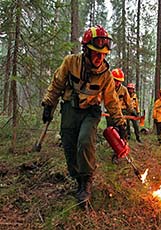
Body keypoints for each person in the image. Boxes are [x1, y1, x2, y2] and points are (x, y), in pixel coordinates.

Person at [41, 25, 126, 208]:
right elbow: (56, 84)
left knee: (85, 142)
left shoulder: (105, 75)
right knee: (69, 145)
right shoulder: (70, 62)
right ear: (86, 50)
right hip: (70, 110)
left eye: (103, 54)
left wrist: (120, 123)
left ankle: (86, 182)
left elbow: (112, 101)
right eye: (96, 53)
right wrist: (48, 105)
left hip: (90, 112)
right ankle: (77, 179)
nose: (100, 58)